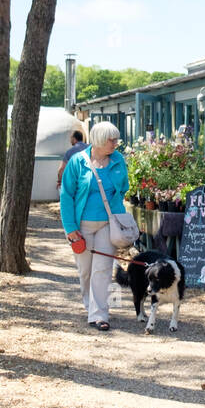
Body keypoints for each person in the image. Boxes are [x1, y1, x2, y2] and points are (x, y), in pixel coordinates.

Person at [61, 121, 128, 331]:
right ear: (99, 140)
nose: (115, 143)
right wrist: (70, 227)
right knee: (86, 271)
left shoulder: (118, 161)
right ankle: (90, 306)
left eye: (116, 139)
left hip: (108, 225)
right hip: (82, 226)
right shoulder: (77, 162)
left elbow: (123, 188)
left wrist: (117, 214)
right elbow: (66, 195)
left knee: (103, 269)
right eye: (111, 140)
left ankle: (99, 314)